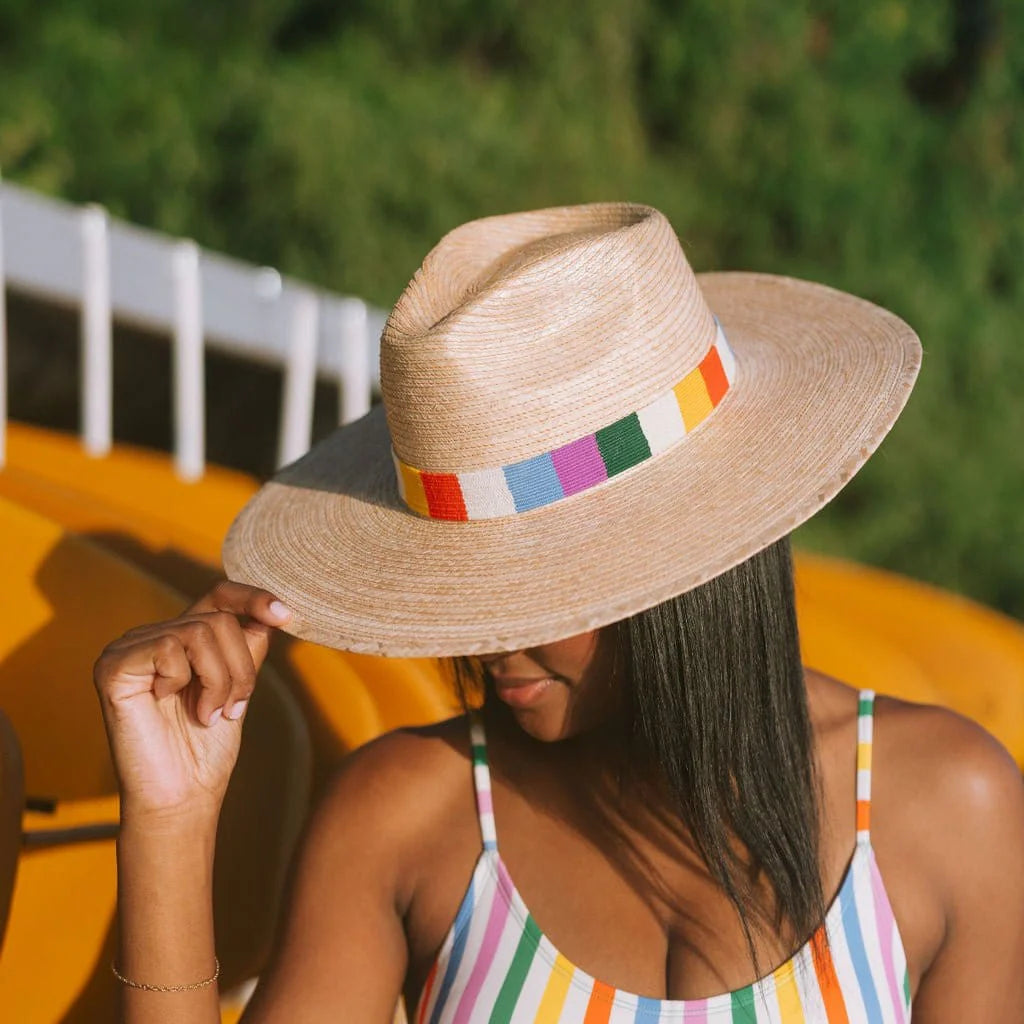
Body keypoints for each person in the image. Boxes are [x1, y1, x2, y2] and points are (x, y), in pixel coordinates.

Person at [94, 204, 1024, 1023]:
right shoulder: (406, 820)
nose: (492, 637)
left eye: (542, 590)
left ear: (690, 571)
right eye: (470, 588)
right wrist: (171, 819)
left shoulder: (950, 809)